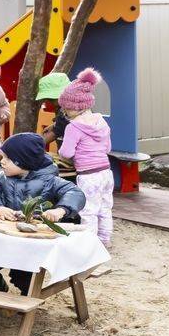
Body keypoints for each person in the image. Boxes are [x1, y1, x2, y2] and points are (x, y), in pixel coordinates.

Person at [0, 133, 86, 295]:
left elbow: (75, 192)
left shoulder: (50, 180)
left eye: (7, 159)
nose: (2, 161)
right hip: (4, 239)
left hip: (31, 245)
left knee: (23, 278)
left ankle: (27, 301)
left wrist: (60, 210)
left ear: (23, 162)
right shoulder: (2, 177)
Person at [58, 69, 115, 247]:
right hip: (106, 172)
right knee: (105, 208)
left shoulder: (74, 127)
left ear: (77, 106)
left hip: (88, 174)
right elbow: (108, 147)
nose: (64, 112)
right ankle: (104, 240)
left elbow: (66, 153)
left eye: (66, 108)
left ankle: (89, 245)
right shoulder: (101, 122)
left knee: (88, 210)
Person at [35, 72, 72, 159]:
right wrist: (54, 125)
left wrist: (33, 145)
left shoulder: (68, 110)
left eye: (50, 99)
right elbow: (62, 125)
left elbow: (56, 132)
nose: (48, 102)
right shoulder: (65, 107)